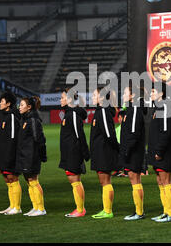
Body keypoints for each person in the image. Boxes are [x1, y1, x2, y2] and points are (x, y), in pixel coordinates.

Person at [148, 82, 171, 223]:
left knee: (166, 181)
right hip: (157, 151)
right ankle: (165, 212)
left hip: (164, 152)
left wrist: (159, 150)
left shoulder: (165, 107)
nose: (151, 94)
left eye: (153, 91)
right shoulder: (158, 107)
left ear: (161, 93)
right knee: (160, 181)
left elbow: (165, 131)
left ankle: (170, 214)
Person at [59, 88, 90, 218]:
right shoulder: (68, 114)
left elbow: (80, 135)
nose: (60, 100)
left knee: (75, 180)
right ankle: (79, 208)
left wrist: (84, 154)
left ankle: (80, 209)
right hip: (68, 153)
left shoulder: (72, 115)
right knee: (73, 179)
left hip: (74, 153)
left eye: (62, 97)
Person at [90, 88, 119, 219]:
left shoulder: (103, 112)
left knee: (106, 181)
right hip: (100, 151)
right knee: (103, 182)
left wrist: (116, 149)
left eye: (94, 95)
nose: (92, 97)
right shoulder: (100, 111)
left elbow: (109, 134)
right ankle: (106, 209)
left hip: (104, 151)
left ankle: (108, 211)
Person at [16, 96, 47, 217]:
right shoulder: (24, 119)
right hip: (25, 155)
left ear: (29, 107)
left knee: (34, 181)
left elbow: (39, 139)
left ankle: (41, 208)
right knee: (29, 182)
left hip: (32, 155)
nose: (20, 107)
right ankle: (35, 207)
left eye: (22, 105)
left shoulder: (33, 120)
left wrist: (41, 155)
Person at [120, 85, 147, 221]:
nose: (123, 95)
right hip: (131, 150)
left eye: (125, 93)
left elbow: (134, 134)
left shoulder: (135, 110)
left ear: (132, 96)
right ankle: (138, 210)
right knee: (134, 180)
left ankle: (139, 212)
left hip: (134, 152)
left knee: (135, 180)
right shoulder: (131, 109)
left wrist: (126, 151)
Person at [0, 92, 22, 215]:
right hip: (4, 154)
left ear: (8, 104)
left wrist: (10, 156)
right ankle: (12, 205)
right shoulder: (6, 116)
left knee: (13, 178)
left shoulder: (12, 116)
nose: (0, 103)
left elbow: (13, 138)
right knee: (7, 180)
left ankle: (17, 207)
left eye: (2, 101)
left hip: (10, 155)